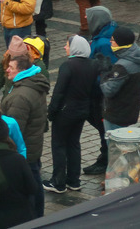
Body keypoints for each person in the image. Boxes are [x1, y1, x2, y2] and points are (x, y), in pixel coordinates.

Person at [44, 35, 99, 193]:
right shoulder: (93, 64)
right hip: (82, 111)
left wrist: (52, 112)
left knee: (59, 145)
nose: (64, 47)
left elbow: (59, 92)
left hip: (65, 112)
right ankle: (74, 180)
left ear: (75, 48)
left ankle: (58, 182)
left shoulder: (67, 66)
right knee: (74, 144)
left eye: (67, 45)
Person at [0, 54, 49, 218]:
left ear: (21, 71)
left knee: (29, 188)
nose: (7, 69)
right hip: (33, 145)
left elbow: (13, 130)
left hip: (23, 150)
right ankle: (38, 216)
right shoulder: (33, 83)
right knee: (35, 182)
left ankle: (32, 219)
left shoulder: (20, 96)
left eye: (11, 68)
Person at [100, 27, 140, 130]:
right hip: (131, 110)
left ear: (120, 42)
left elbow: (108, 90)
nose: (110, 42)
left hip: (116, 114)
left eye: (113, 40)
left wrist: (104, 73)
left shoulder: (122, 66)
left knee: (114, 145)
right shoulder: (139, 57)